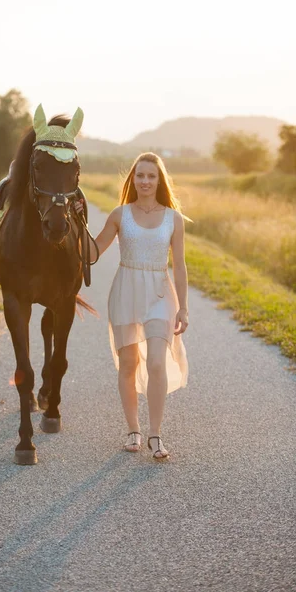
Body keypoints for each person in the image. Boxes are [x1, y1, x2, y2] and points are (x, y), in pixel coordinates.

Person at [76, 152, 189, 459]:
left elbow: (179, 266)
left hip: (160, 296)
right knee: (129, 364)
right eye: (140, 175)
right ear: (133, 179)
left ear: (159, 180)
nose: (145, 181)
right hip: (126, 292)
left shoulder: (173, 218)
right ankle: (133, 430)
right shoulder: (120, 214)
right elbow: (93, 252)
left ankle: (155, 435)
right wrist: (77, 220)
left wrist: (184, 307)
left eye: (151, 176)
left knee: (155, 362)